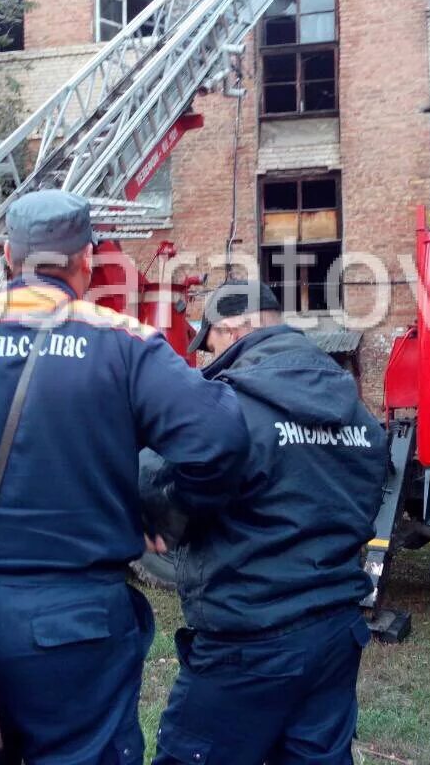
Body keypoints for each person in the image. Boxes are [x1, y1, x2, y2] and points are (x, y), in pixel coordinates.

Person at [0, 190, 249, 765]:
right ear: (86, 259)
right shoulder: (124, 344)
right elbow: (220, 441)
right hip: (78, 621)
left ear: (7, 256)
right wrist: (169, 511)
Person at [143, 281, 388, 765]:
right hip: (335, 632)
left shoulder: (229, 409)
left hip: (248, 640)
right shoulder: (358, 414)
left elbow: (163, 486)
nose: (205, 360)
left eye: (210, 345)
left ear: (234, 329)